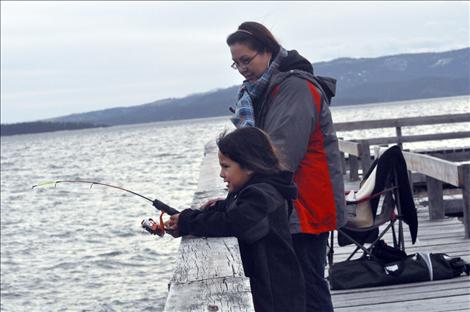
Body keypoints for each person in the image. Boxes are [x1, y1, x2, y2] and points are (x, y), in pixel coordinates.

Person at [226, 21, 346, 312]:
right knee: (298, 286)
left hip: (306, 204)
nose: (242, 68)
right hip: (291, 202)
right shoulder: (266, 91)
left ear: (267, 52)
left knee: (308, 287)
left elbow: (279, 155)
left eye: (246, 60)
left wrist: (240, 189)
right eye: (235, 63)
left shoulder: (295, 88)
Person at [165, 127, 305, 312]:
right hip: (273, 286)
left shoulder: (262, 195)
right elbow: (235, 212)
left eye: (226, 166)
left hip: (276, 292)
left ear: (249, 166)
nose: (221, 174)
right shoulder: (259, 189)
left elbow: (233, 223)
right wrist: (205, 212)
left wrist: (188, 221)